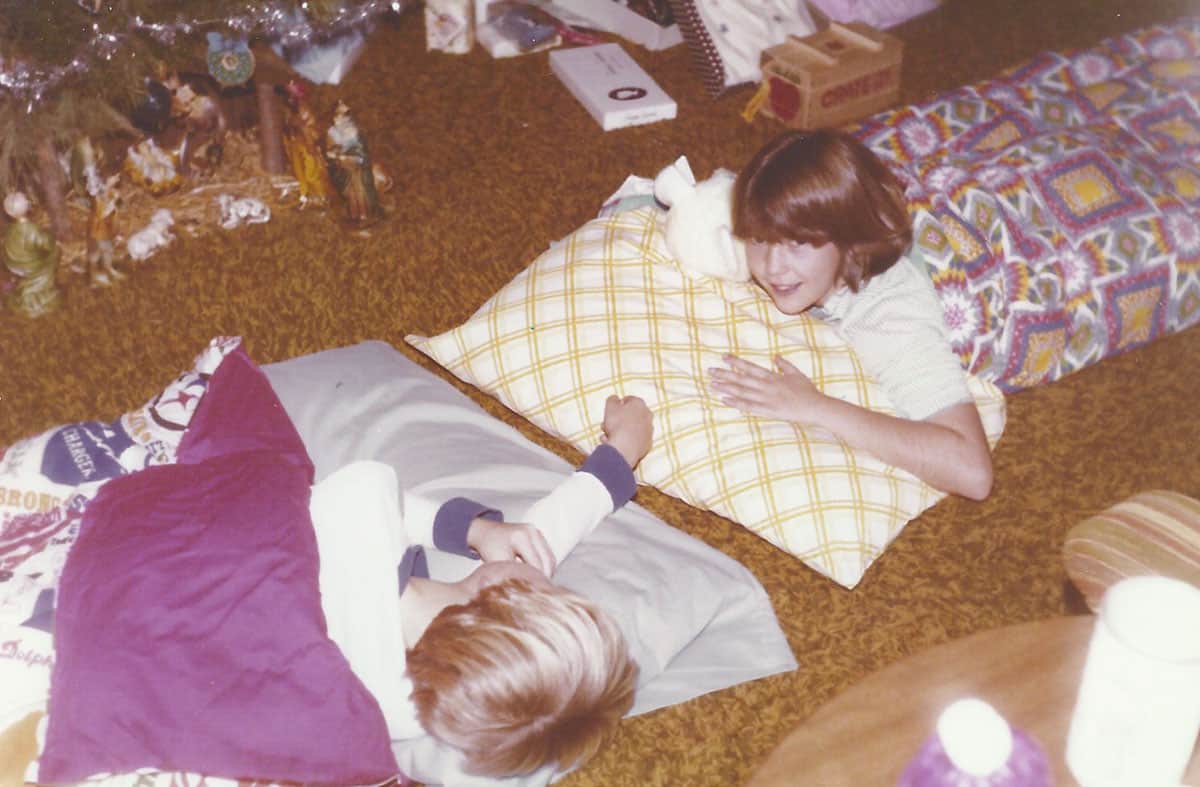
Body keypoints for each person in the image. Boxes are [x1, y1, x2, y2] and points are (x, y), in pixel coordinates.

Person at [309, 394, 653, 781]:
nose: (555, 579)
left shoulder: (361, 515)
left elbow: (360, 499)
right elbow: (548, 535)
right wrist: (621, 454)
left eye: (557, 593)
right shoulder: (397, 712)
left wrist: (472, 529)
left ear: (495, 584)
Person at [708, 129, 993, 500]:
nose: (773, 267)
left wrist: (815, 407)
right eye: (760, 240)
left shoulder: (889, 316)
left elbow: (972, 471)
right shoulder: (790, 239)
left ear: (849, 240)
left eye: (799, 243)